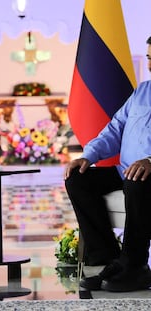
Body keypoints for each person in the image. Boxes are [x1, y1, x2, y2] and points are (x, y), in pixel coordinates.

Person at [64, 36, 151, 293]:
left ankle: (135, 266)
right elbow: (115, 129)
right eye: (149, 58)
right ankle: (110, 260)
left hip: (146, 175)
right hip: (125, 171)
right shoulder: (142, 91)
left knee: (137, 181)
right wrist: (87, 156)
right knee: (77, 178)